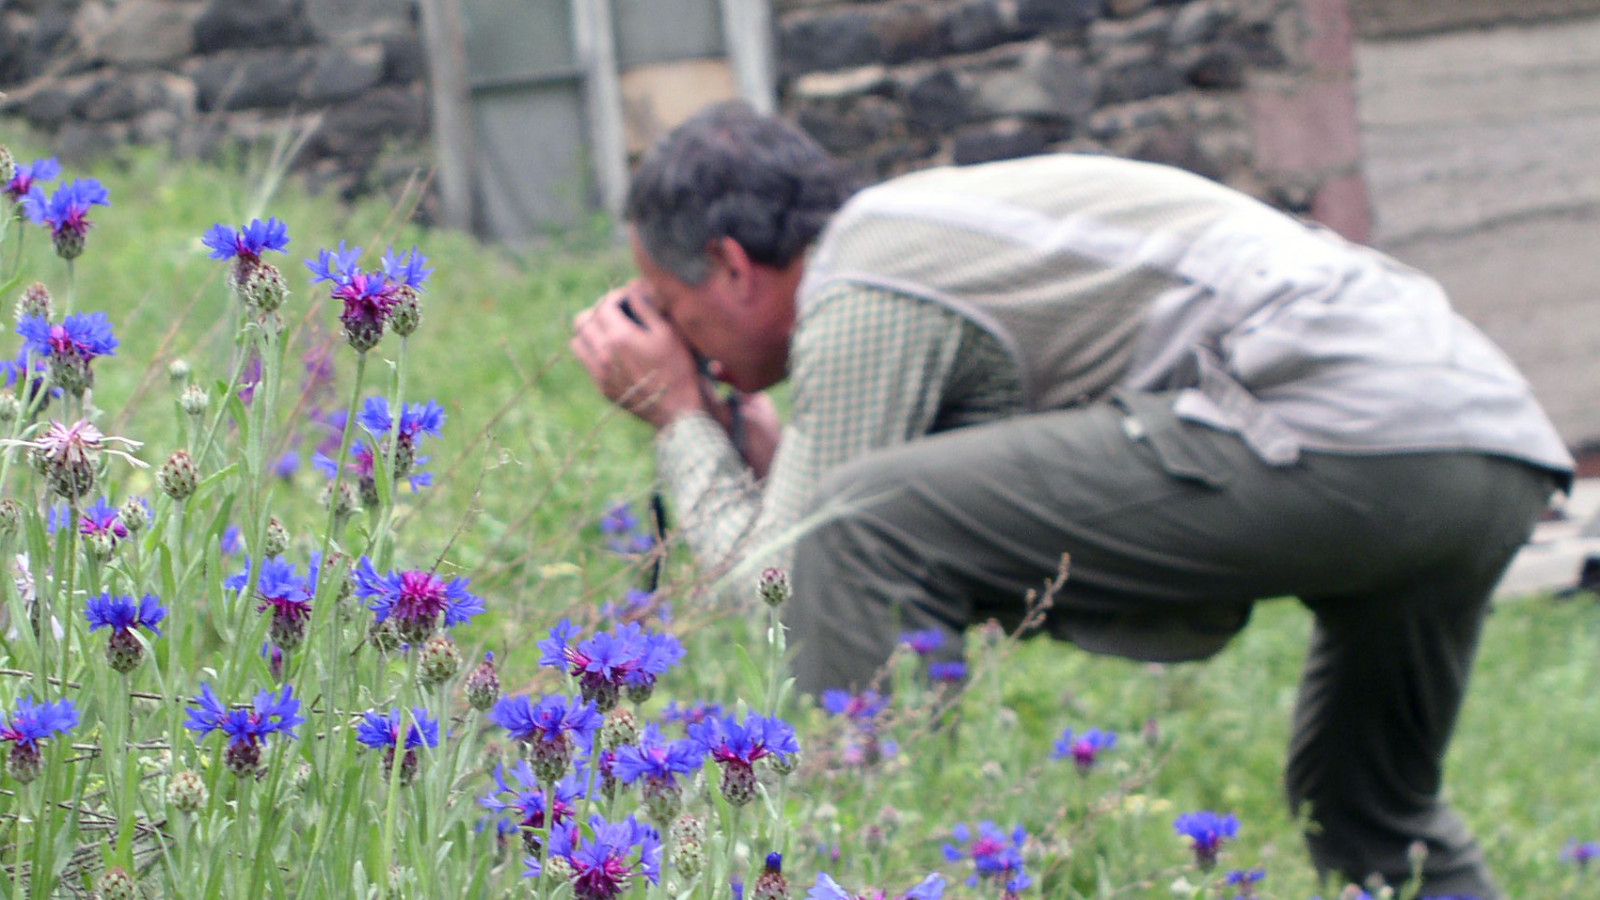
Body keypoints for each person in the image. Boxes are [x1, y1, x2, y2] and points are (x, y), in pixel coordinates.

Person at [568, 101, 1573, 899]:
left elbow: (793, 573)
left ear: (733, 266)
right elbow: (896, 517)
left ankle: (869, 857)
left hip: (1339, 430)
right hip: (1481, 444)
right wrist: (762, 456)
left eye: (669, 304)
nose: (676, 336)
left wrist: (678, 422)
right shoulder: (927, 236)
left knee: (862, 524)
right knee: (1366, 811)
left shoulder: (861, 277)